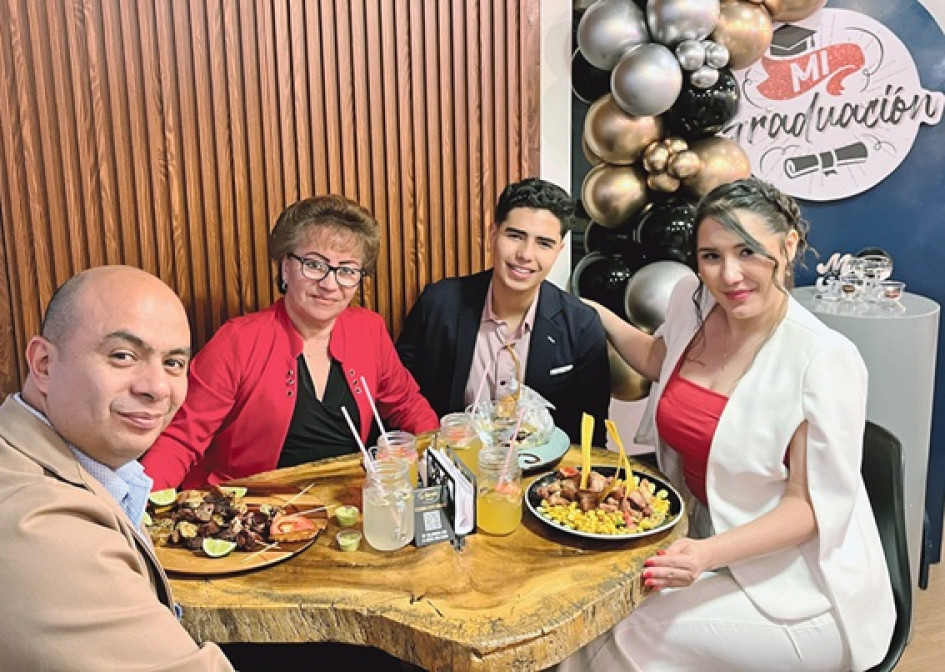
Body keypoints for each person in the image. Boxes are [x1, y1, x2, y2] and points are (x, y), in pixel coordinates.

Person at [559, 178, 895, 671]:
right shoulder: (691, 301)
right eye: (711, 255)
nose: (729, 274)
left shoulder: (825, 359)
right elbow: (659, 358)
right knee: (584, 622)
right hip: (703, 550)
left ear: (789, 245)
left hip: (799, 590)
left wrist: (706, 554)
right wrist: (593, 313)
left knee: (619, 644)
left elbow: (809, 507)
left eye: (748, 251)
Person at [0, 266, 233, 670]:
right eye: (123, 356)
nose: (157, 387)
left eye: (174, 363)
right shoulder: (39, 523)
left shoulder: (83, 465)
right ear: (43, 364)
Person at [143, 195, 438, 490]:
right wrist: (135, 512)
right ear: (286, 267)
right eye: (313, 264)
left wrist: (442, 459)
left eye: (347, 270)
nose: (329, 284)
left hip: (347, 504)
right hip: (251, 509)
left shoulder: (368, 329)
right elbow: (182, 439)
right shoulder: (238, 340)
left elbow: (406, 404)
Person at [396, 177, 610, 446]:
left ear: (559, 250)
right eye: (515, 236)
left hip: (542, 477)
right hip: (454, 467)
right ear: (493, 233)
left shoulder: (581, 325)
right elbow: (398, 397)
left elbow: (592, 434)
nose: (526, 254)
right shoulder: (440, 304)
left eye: (544, 243)